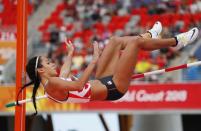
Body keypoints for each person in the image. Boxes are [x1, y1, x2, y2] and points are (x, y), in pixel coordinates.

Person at [17, 21, 199, 115]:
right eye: (48, 63)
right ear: (40, 70)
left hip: (103, 81)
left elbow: (65, 72)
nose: (52, 63)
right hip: (114, 87)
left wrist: (71, 53)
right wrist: (94, 60)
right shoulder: (52, 85)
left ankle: (149, 35)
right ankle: (177, 41)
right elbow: (79, 85)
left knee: (115, 41)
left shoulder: (54, 83)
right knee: (135, 43)